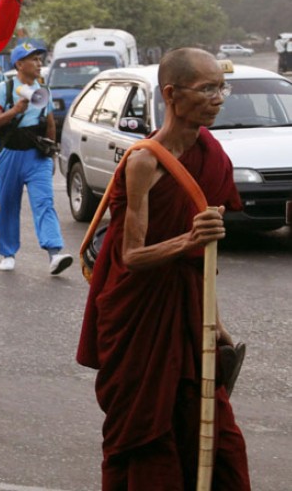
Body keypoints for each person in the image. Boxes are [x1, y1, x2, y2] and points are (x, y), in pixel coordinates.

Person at [77, 47, 251, 490]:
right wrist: (189, 239)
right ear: (172, 95)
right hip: (142, 316)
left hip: (189, 312)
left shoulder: (213, 155)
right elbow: (133, 255)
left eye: (221, 87)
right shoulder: (144, 161)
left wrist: (215, 321)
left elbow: (202, 263)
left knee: (219, 438)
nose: (219, 97)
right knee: (148, 434)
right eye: (208, 88)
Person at [0, 41, 73, 275]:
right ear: (19, 64)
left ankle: (54, 253)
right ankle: (8, 253)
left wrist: (50, 154)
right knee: (8, 204)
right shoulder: (4, 88)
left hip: (36, 156)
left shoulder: (44, 91)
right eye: (34, 59)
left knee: (44, 202)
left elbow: (50, 123)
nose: (39, 64)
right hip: (10, 154)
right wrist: (14, 111)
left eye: (40, 59)